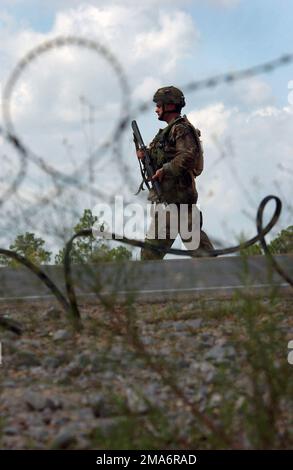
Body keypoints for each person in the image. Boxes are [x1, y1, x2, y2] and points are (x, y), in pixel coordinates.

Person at [136, 86, 214, 260]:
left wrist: (165, 170)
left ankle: (224, 279)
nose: (156, 109)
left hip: (177, 202)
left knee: (150, 256)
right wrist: (146, 156)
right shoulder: (169, 132)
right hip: (171, 201)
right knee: (201, 252)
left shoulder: (181, 129)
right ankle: (223, 279)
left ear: (169, 106)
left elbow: (188, 156)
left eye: (159, 105)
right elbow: (166, 157)